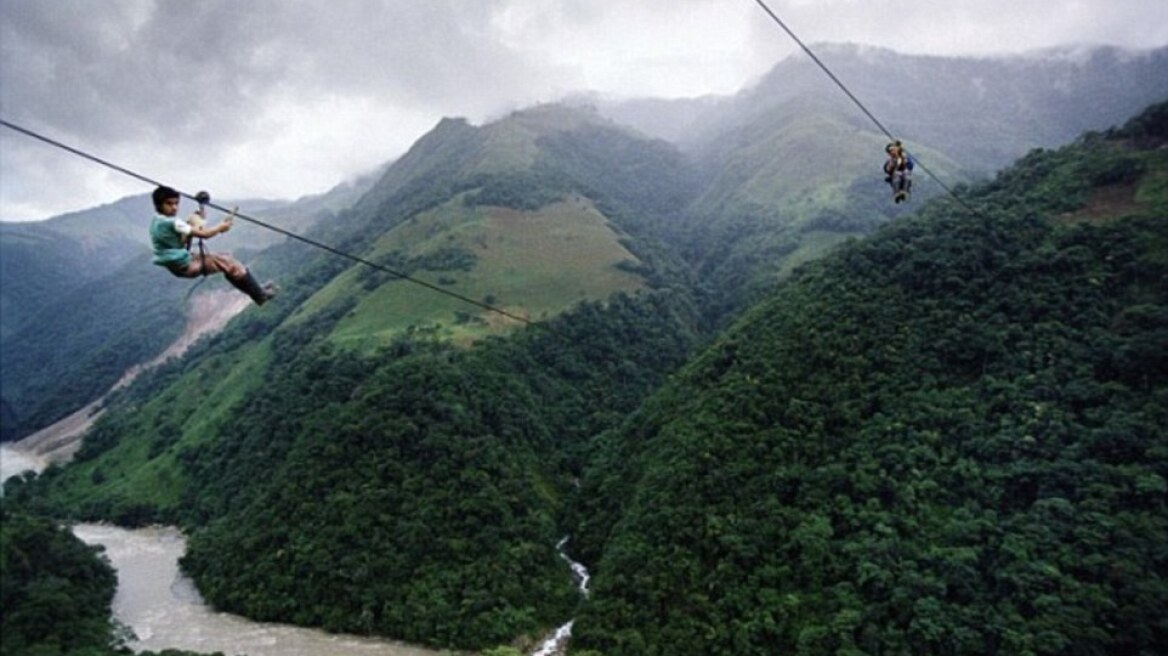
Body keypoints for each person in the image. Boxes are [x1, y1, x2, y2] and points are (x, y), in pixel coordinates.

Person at [149, 186, 276, 305]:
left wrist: (195, 221)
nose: (174, 207)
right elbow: (204, 234)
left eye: (176, 203)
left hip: (178, 266)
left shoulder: (157, 221)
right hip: (187, 265)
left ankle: (257, 291)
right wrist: (220, 227)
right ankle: (259, 295)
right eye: (169, 204)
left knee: (226, 259)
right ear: (158, 205)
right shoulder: (173, 222)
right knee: (230, 263)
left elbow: (180, 241)